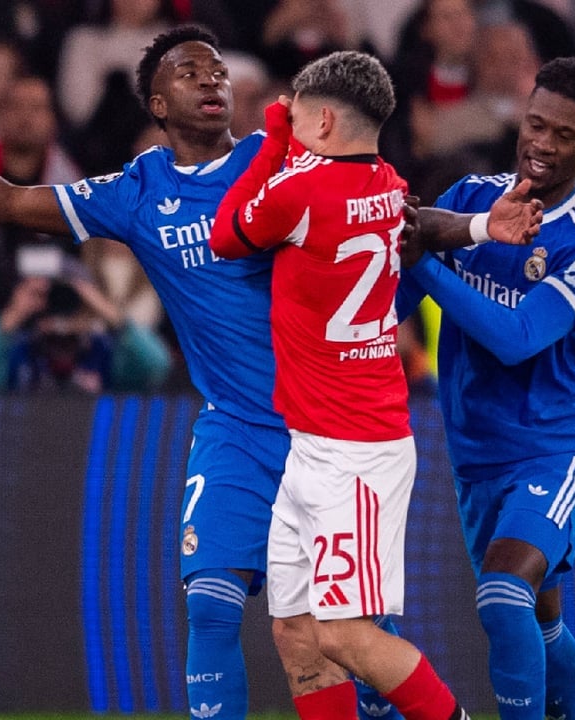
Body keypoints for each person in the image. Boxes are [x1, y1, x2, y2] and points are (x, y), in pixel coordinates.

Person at [0, 25, 533, 720]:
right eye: (189, 72)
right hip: (236, 430)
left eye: (217, 70)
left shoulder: (285, 162)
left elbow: (396, 216)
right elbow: (8, 202)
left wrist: (480, 227)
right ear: (157, 103)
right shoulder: (136, 190)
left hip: (325, 426)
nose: (212, 79)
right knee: (211, 604)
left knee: (345, 643)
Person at [208, 50, 511, 720]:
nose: (289, 124)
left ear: (321, 120)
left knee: (343, 633)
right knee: (295, 631)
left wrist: (273, 142)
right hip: (319, 442)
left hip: (354, 452)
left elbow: (225, 236)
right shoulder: (390, 185)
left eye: (297, 115)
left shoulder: (299, 191)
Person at [398, 56, 575, 720]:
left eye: (564, 135)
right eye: (536, 124)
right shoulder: (472, 198)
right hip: (476, 458)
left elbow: (517, 336)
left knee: (502, 594)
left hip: (555, 450)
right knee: (541, 619)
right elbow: (391, 303)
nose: (542, 144)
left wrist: (425, 261)